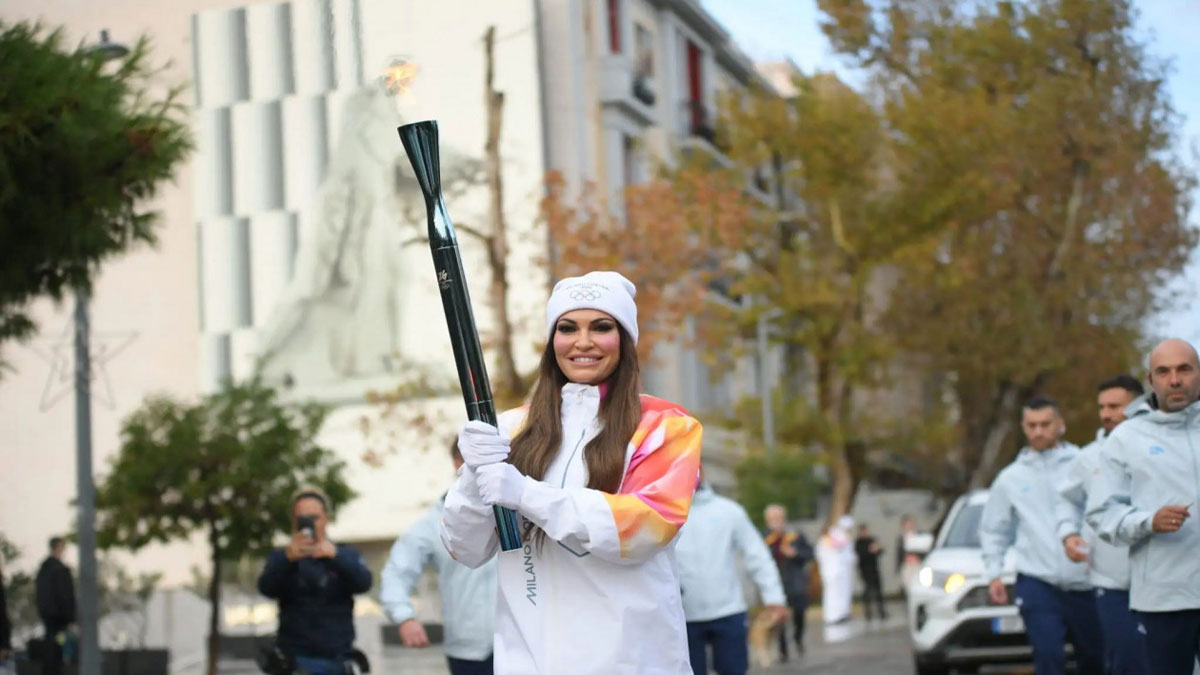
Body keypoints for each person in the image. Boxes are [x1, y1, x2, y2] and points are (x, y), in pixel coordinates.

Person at [441, 271, 704, 675]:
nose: (583, 342)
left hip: (632, 659)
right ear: (552, 343)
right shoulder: (512, 430)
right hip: (529, 659)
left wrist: (525, 494)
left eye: (601, 327)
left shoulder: (666, 427)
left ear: (625, 341)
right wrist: (473, 481)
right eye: (567, 328)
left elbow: (647, 528)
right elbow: (467, 549)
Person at [1088, 339, 1200, 675]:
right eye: (1163, 372)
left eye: (1184, 369)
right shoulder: (1126, 439)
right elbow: (1101, 513)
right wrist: (1148, 521)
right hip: (1164, 597)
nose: (1175, 380)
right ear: (1150, 381)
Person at [979, 396, 1103, 675]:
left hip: (1086, 580)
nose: (1038, 431)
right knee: (1048, 656)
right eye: (1032, 425)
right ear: (1023, 427)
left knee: (1096, 659)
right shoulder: (1010, 478)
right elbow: (994, 529)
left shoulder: (1084, 464)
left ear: (1060, 425)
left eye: (1045, 424)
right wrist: (994, 573)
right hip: (1038, 581)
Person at [1056, 374, 1150, 675]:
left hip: (1164, 579)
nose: (1105, 414)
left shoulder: (1159, 448)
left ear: (1138, 405)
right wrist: (1068, 533)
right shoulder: (1088, 458)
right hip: (1112, 583)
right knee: (1125, 662)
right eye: (1102, 407)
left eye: (1114, 406)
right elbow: (1066, 499)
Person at [380, 440, 497, 675]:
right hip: (469, 653)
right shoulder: (431, 524)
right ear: (457, 463)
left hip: (523, 646)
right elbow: (397, 572)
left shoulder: (518, 511)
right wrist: (404, 617)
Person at [675, 475, 786, 675]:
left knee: (734, 670)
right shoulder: (663, 512)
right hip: (682, 614)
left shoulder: (728, 511)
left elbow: (758, 556)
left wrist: (774, 598)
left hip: (728, 611)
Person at [257, 487, 373, 674]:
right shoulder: (282, 557)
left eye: (315, 517)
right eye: (302, 518)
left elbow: (364, 583)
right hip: (296, 659)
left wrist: (335, 556)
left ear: (327, 518)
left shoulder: (344, 553)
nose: (309, 523)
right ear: (294, 522)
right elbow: (266, 588)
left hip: (338, 657)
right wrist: (288, 559)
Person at [763, 504, 813, 660]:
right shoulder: (764, 538)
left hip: (796, 580)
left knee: (799, 612)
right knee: (778, 616)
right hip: (776, 582)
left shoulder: (795, 535)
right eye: (773, 518)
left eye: (779, 517)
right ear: (768, 520)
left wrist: (795, 553)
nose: (777, 521)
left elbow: (810, 553)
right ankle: (783, 648)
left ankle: (798, 637)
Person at [35, 537, 75, 675]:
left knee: (52, 644)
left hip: (50, 616)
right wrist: (69, 617)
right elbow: (65, 595)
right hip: (58, 618)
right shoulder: (58, 569)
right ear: (58, 547)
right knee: (57, 646)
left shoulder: (44, 569)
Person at [815, 515, 857, 625]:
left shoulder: (830, 540)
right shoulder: (825, 541)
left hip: (838, 572)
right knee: (831, 594)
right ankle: (831, 616)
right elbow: (837, 547)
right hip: (831, 572)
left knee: (839, 594)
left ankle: (839, 614)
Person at [854, 523, 888, 621]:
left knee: (879, 591)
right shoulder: (858, 543)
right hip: (865, 570)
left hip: (874, 569)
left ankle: (881, 611)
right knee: (867, 591)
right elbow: (861, 554)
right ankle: (868, 613)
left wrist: (878, 549)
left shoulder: (871, 540)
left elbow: (879, 552)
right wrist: (870, 550)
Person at [895, 514, 922, 591]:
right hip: (907, 564)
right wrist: (899, 566)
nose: (909, 525)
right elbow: (899, 553)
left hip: (918, 563)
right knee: (907, 585)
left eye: (910, 523)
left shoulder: (919, 536)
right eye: (906, 524)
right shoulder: (901, 538)